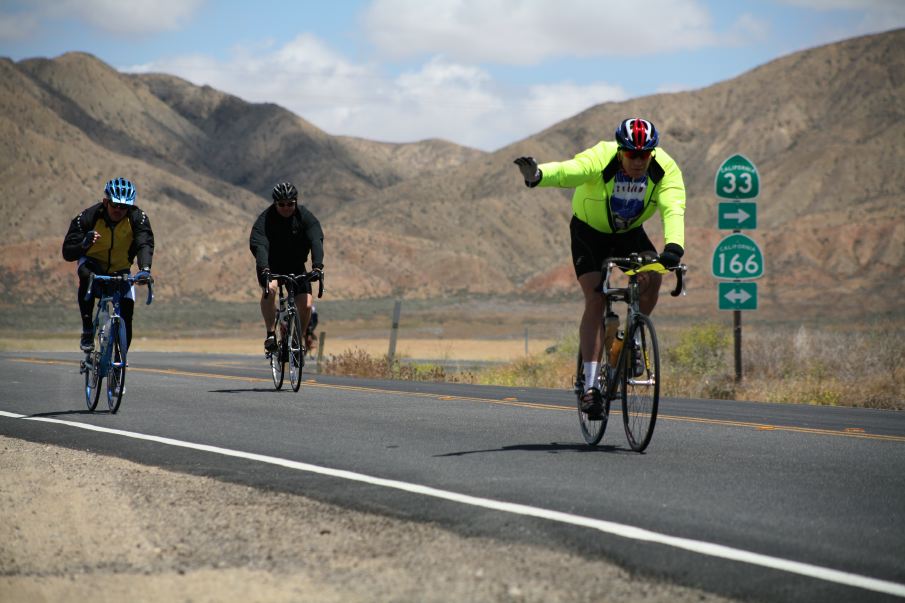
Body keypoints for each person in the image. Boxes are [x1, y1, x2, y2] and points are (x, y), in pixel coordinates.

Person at [514, 117, 685, 418]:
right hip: (588, 232)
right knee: (596, 297)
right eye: (632, 154)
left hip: (628, 233)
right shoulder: (602, 156)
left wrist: (674, 247)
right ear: (621, 151)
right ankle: (591, 388)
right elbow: (572, 170)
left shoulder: (664, 168)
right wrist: (539, 175)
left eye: (644, 155)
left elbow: (673, 205)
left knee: (654, 275)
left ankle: (629, 341)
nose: (638, 161)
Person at [62, 177, 154, 352]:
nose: (119, 210)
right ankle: (88, 329)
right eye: (115, 205)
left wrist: (145, 270)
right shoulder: (89, 216)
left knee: (127, 313)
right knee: (85, 275)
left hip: (121, 269)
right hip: (93, 264)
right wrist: (84, 244)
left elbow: (145, 244)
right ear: (106, 201)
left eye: (124, 207)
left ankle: (119, 362)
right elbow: (67, 252)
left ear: (130, 206)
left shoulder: (137, 218)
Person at [249, 182, 324, 353]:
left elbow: (316, 240)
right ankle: (270, 334)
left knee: (306, 305)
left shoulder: (305, 217)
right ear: (275, 203)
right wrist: (265, 268)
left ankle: (299, 338)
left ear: (296, 202)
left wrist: (317, 266)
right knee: (271, 288)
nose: (286, 208)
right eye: (281, 204)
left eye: (290, 204)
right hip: (271, 266)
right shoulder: (265, 220)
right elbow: (259, 245)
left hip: (296, 266)